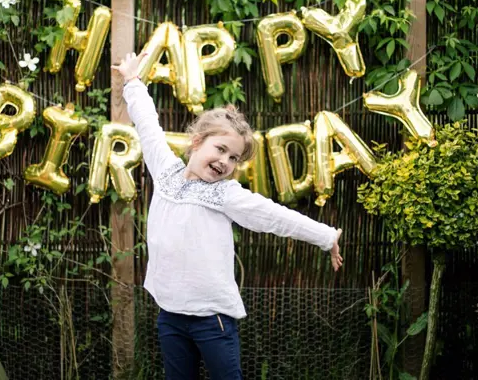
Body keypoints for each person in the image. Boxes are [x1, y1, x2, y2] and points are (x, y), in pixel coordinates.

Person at [113, 52, 343, 380]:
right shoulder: (165, 170)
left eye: (234, 158)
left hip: (213, 320)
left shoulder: (225, 194)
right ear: (196, 142)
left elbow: (275, 216)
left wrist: (326, 236)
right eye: (220, 150)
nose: (225, 162)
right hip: (170, 315)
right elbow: (148, 125)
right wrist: (132, 81)